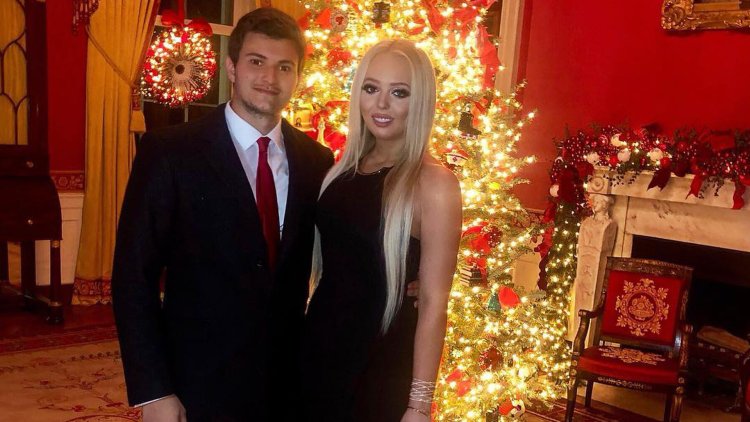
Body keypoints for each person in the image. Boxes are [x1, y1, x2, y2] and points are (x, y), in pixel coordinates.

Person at [111, 8, 334, 421]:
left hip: (284, 384)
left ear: (298, 76)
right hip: (196, 382)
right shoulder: (171, 152)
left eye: (284, 67)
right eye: (257, 62)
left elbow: (339, 250)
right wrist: (154, 391)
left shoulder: (317, 161)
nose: (270, 78)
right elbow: (132, 277)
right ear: (231, 67)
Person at [302, 39, 462, 421]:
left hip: (379, 366)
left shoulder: (434, 183)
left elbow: (434, 303)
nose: (382, 104)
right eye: (371, 88)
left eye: (399, 92)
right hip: (316, 352)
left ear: (420, 102)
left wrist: (419, 405)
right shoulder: (340, 171)